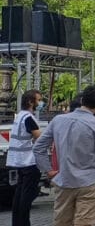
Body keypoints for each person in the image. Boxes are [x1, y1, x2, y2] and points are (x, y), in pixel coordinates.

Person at [33, 85, 95, 226]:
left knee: (62, 221)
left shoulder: (58, 120)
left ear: (82, 99)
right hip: (89, 180)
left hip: (64, 179)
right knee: (84, 222)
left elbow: (38, 147)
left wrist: (48, 170)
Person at [10, 89, 44, 226]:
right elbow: (39, 138)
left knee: (19, 195)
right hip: (29, 161)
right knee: (27, 197)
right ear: (31, 102)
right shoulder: (28, 118)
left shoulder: (20, 116)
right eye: (39, 100)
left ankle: (17, 223)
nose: (40, 103)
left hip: (19, 160)